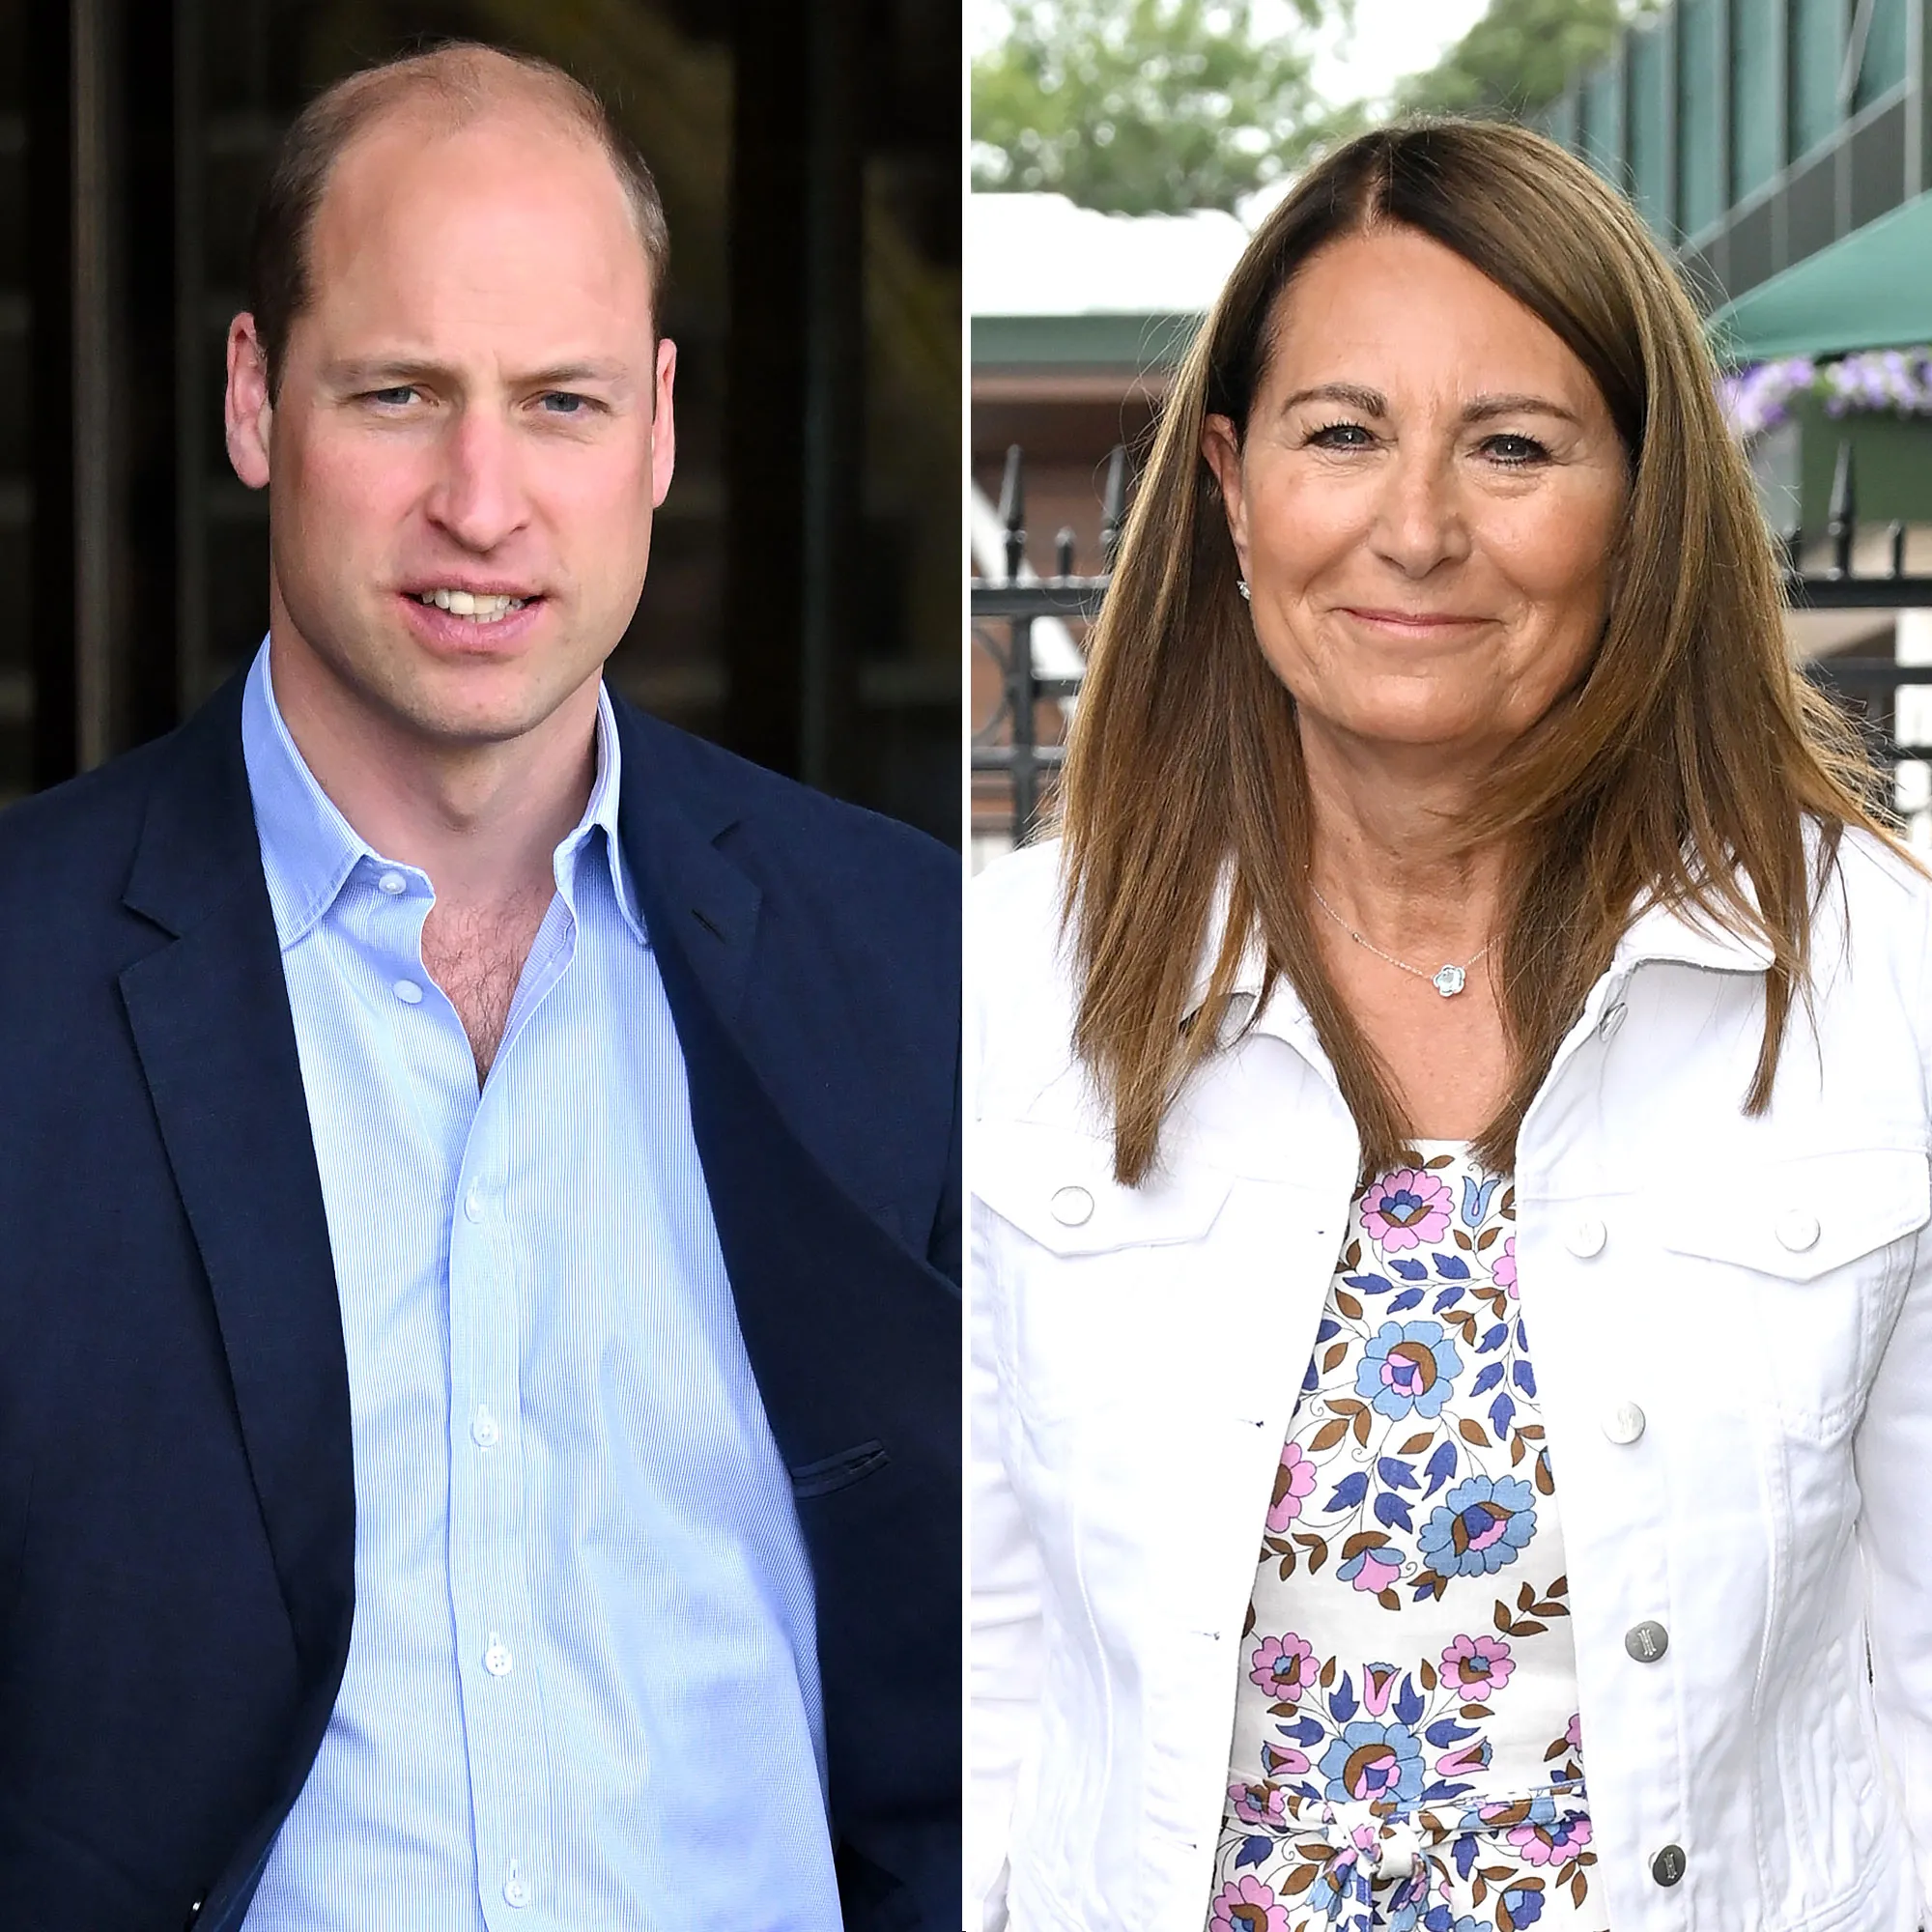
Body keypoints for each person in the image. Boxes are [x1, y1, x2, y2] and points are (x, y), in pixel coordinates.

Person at [0, 43, 958, 1932]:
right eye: (401, 393)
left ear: (660, 428)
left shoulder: (912, 967)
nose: (484, 499)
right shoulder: (22, 986)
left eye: (562, 401)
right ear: (257, 398)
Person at [968, 118, 1932, 1932]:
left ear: (1643, 506)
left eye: (1513, 447)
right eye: (1344, 434)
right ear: (1234, 488)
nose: (1417, 527)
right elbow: (981, 1669)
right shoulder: (1009, 987)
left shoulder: (1882, 984)